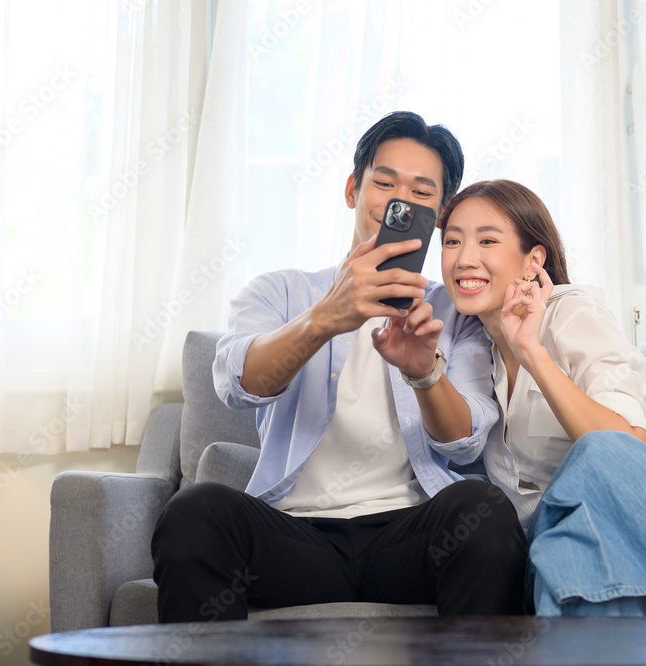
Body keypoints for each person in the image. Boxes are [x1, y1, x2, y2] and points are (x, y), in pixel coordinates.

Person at [150, 113, 527, 622]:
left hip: (408, 534)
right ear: (353, 189)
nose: (400, 201)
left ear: (440, 214)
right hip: (296, 536)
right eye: (385, 182)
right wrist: (326, 317)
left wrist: (425, 373)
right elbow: (240, 383)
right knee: (195, 513)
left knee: (483, 512)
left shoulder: (457, 314)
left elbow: (464, 440)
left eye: (421, 191)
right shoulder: (280, 291)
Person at [437, 179, 646, 616]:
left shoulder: (571, 313)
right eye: (452, 241)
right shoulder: (470, 356)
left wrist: (533, 353)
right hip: (565, 547)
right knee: (559, 554)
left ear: (534, 260)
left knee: (601, 453)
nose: (463, 258)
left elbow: (621, 442)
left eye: (487, 240)